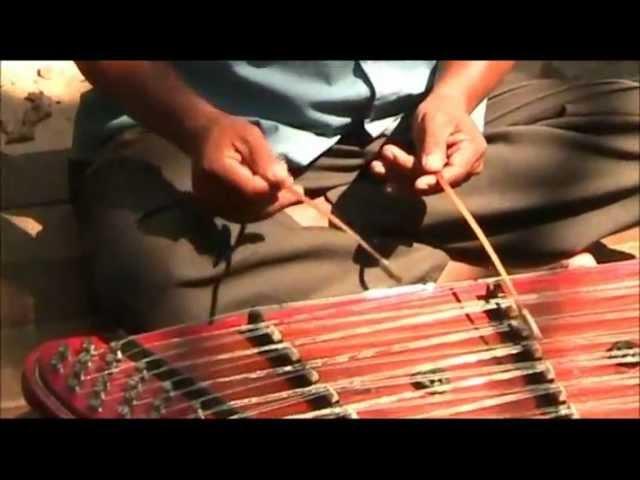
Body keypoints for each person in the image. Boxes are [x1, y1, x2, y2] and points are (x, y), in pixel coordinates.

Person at [71, 61, 640, 334]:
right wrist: (197, 128)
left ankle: (323, 239)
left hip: (408, 123)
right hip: (210, 137)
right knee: (161, 275)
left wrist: (453, 98)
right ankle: (470, 279)